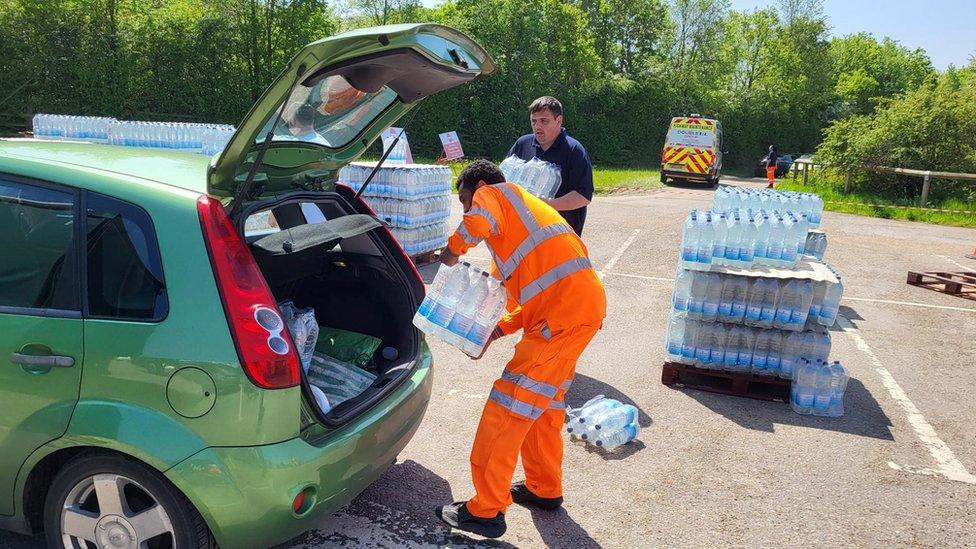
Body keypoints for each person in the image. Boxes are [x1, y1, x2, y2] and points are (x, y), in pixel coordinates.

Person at [434, 160, 607, 539]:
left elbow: (475, 222)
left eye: (464, 199)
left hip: (560, 320)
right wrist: (498, 330)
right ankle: (544, 488)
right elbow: (524, 296)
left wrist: (451, 251)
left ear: (479, 185)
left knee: (507, 407)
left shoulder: (495, 193)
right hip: (575, 313)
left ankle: (486, 510)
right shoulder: (521, 217)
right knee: (543, 406)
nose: (465, 208)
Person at [508, 96, 594, 236]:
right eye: (534, 121)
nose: (537, 126)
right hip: (524, 234)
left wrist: (546, 205)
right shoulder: (522, 145)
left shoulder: (574, 150)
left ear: (558, 120)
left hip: (561, 235)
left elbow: (583, 196)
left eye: (544, 121)